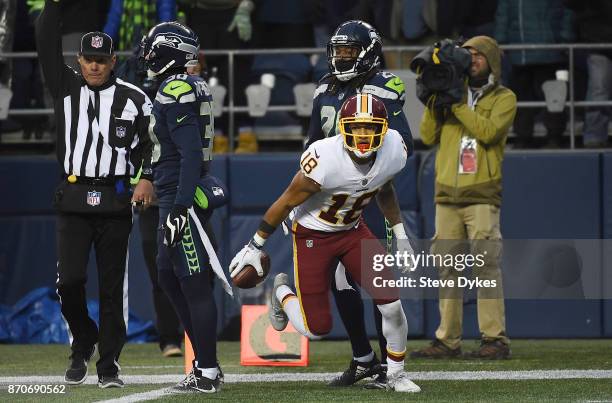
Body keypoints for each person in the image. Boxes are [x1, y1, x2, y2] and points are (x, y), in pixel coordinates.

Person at [230, 93, 421, 393]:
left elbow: (384, 189)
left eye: (369, 128)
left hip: (353, 231)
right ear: (342, 128)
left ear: (383, 130)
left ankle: (395, 374)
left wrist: (401, 235)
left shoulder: (394, 149)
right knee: (315, 329)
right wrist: (255, 245)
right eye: (355, 128)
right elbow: (285, 202)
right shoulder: (325, 158)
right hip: (313, 236)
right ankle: (281, 293)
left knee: (392, 304)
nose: (362, 135)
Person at [36, 0, 154, 389]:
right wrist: (53, 5)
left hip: (115, 200)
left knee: (110, 287)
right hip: (73, 197)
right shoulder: (65, 87)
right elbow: (44, 40)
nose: (94, 66)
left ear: (113, 60)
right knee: (68, 282)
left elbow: (156, 144)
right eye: (88, 59)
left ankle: (107, 366)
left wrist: (147, 177)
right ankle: (83, 338)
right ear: (79, 59)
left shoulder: (135, 99)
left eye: (101, 60)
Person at [304, 19, 413, 388]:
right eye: (338, 51)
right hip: (333, 201)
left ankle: (388, 364)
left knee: (378, 281)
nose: (341, 57)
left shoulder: (385, 86)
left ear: (367, 52)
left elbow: (403, 144)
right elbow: (312, 142)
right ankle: (362, 358)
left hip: (369, 195)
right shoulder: (324, 88)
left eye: (349, 51)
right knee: (340, 280)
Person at [140, 21, 232, 393]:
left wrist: (179, 207)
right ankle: (205, 361)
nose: (147, 55)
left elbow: (191, 153)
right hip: (172, 194)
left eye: (153, 48)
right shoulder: (186, 84)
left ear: (169, 51)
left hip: (181, 197)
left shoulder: (175, 88)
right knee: (166, 275)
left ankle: (207, 371)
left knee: (193, 283)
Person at [411, 36, 515, 359]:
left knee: (485, 266)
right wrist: (434, 101)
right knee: (448, 268)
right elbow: (427, 136)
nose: (473, 59)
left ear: (492, 61)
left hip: (482, 195)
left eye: (479, 55)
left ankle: (494, 339)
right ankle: (447, 341)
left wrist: (456, 105)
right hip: (446, 196)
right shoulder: (449, 91)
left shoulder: (504, 98)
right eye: (468, 53)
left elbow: (487, 132)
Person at [494, 0, 573, 148]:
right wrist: (564, 38)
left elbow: (502, 16)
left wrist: (500, 41)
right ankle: (550, 137)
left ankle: (526, 138)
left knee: (535, 99)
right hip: (540, 52)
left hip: (536, 52)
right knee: (549, 98)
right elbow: (567, 13)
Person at [566, 0, 612, 148]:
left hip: (597, 37)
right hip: (598, 41)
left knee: (599, 90)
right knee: (599, 90)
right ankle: (594, 136)